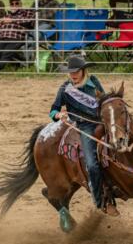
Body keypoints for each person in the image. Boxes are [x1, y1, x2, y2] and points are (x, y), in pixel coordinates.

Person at [49, 56, 120, 216]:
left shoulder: (93, 81)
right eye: (71, 72)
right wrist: (58, 115)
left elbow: (103, 100)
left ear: (83, 71)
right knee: (92, 164)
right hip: (85, 126)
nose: (73, 75)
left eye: (76, 71)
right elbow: (53, 110)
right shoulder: (65, 89)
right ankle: (99, 200)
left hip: (102, 121)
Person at [0, 0, 34, 72]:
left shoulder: (26, 12)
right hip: (2, 37)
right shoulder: (6, 15)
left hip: (16, 37)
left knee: (6, 52)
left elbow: (28, 21)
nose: (14, 5)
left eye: (16, 3)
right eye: (12, 4)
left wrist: (12, 20)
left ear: (21, 4)